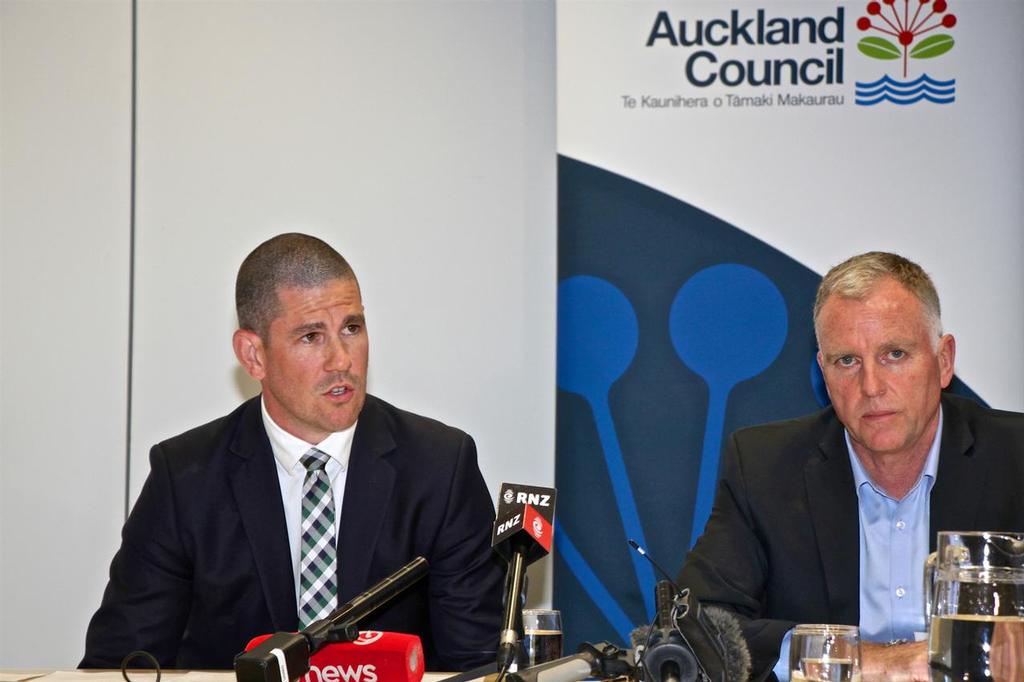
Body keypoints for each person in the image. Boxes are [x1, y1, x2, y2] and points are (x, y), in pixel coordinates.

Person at [81, 233, 504, 671]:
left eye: (352, 328)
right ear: (253, 355)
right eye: (311, 337)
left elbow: (477, 663)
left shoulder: (439, 466)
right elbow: (119, 665)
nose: (341, 360)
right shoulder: (186, 477)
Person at [678, 252, 1024, 681]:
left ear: (944, 360)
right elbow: (695, 625)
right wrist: (860, 657)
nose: (871, 386)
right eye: (848, 361)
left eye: (894, 354)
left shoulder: (1015, 457)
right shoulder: (765, 467)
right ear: (823, 372)